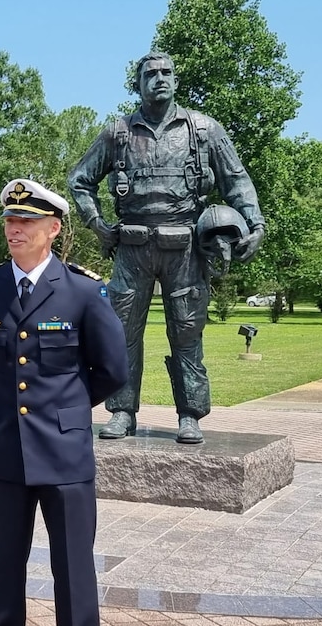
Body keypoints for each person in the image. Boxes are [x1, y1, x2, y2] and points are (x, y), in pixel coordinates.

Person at [0, 179, 128, 626]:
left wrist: (66, 413)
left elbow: (111, 371)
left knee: (73, 569)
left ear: (53, 229)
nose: (15, 229)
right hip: (8, 451)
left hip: (65, 455)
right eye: (11, 220)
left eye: (27, 222)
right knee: (3, 564)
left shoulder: (82, 291)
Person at [67, 52, 265, 443]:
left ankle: (189, 414)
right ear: (138, 84)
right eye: (150, 74)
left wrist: (255, 224)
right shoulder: (118, 132)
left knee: (188, 333)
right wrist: (97, 225)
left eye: (166, 73)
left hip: (186, 250)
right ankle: (122, 410)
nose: (159, 79)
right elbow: (80, 180)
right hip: (132, 248)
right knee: (121, 333)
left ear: (176, 80)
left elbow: (236, 180)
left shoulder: (204, 130)